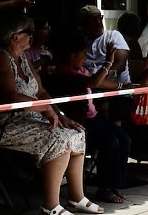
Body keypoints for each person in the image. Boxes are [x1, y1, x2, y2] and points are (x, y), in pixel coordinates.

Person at [0, 15, 104, 215]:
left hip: (27, 117)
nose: (33, 36)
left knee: (76, 132)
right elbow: (10, 96)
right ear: (15, 36)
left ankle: (76, 197)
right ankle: (50, 205)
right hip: (0, 123)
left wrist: (59, 115)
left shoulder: (23, 57)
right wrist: (45, 109)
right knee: (58, 139)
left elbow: (42, 91)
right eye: (29, 33)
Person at [49, 37, 131, 204]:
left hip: (93, 116)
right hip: (80, 120)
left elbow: (99, 81)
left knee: (124, 139)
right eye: (83, 54)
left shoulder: (80, 69)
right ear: (72, 56)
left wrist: (123, 87)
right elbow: (92, 82)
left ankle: (115, 183)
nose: (85, 57)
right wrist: (109, 62)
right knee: (111, 142)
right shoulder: (63, 72)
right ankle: (104, 188)